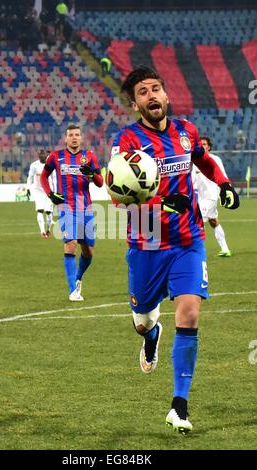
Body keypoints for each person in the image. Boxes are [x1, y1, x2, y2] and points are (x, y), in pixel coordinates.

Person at [112, 66, 239, 434]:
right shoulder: (127, 142)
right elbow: (118, 198)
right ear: (135, 104)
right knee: (142, 322)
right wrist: (162, 206)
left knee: (190, 313)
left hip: (188, 241)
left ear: (166, 95)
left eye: (156, 89)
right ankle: (151, 337)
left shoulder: (186, 132)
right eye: (143, 92)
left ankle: (179, 405)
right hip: (146, 243)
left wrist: (223, 184)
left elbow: (203, 159)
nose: (152, 96)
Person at [40, 124, 103, 301]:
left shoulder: (89, 156)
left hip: (86, 208)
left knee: (88, 251)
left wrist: (92, 174)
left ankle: (78, 277)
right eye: (71, 135)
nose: (74, 138)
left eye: (77, 135)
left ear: (81, 138)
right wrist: (51, 194)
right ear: (65, 138)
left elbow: (100, 183)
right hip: (66, 207)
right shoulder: (56, 156)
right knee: (71, 243)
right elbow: (43, 176)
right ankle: (73, 290)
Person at [192, 136, 231, 257]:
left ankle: (195, 251)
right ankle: (225, 249)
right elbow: (192, 180)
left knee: (197, 221)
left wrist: (225, 190)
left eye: (204, 144)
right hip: (200, 197)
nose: (202, 146)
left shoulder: (214, 159)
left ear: (209, 146)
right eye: (201, 144)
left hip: (212, 196)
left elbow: (222, 175)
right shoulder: (195, 161)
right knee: (213, 221)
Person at [27, 149, 54, 239]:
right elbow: (30, 177)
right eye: (40, 155)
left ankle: (48, 229)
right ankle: (42, 231)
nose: (42, 156)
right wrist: (28, 188)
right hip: (38, 191)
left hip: (49, 190)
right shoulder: (34, 165)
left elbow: (54, 179)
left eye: (44, 155)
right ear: (38, 156)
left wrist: (56, 191)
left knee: (49, 212)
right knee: (40, 210)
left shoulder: (50, 165)